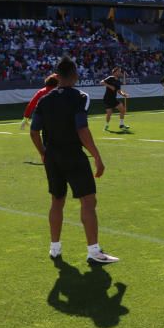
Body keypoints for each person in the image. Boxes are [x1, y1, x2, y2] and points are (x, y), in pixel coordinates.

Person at [29, 56, 118, 264]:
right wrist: (97, 156)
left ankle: (54, 248)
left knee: (56, 201)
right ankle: (94, 251)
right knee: (88, 200)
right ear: (76, 75)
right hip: (73, 155)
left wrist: (43, 153)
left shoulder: (45, 99)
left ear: (57, 76)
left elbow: (34, 132)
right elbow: (81, 128)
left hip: (52, 156)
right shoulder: (80, 96)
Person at [100, 68, 129, 132]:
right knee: (109, 113)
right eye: (118, 71)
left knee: (123, 110)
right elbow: (101, 82)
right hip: (107, 98)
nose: (119, 72)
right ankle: (106, 125)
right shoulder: (110, 78)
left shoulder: (118, 81)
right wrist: (110, 86)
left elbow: (119, 91)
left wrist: (123, 94)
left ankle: (121, 124)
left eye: (120, 71)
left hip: (114, 99)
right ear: (114, 72)